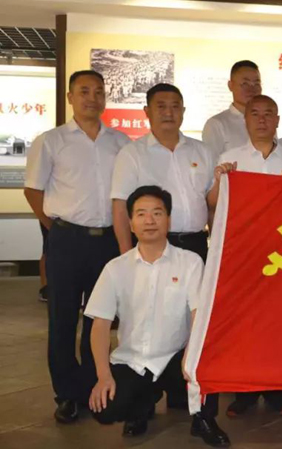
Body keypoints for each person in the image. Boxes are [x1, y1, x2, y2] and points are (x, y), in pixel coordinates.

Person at [24, 70, 130, 424]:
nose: (92, 98)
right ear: (70, 97)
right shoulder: (51, 140)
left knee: (99, 318)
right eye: (84, 91)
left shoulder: (120, 142)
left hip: (107, 242)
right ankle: (67, 394)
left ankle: (91, 387)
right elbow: (33, 190)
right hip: (67, 240)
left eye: (99, 92)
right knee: (63, 319)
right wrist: (55, 228)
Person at [85, 186, 229, 447]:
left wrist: (191, 357)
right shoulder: (115, 268)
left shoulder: (190, 262)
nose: (149, 220)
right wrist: (103, 375)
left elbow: (199, 315)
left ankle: (203, 419)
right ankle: (139, 407)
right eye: (141, 214)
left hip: (176, 357)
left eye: (157, 213)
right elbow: (100, 325)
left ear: (168, 220)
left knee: (207, 361)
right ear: (131, 223)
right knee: (105, 410)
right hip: (133, 359)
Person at [208, 94, 282, 418]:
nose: (262, 120)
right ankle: (244, 391)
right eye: (255, 114)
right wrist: (220, 179)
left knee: (277, 321)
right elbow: (214, 203)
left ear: (278, 121)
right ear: (245, 120)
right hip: (243, 251)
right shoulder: (230, 157)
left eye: (268, 114)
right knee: (244, 322)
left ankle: (275, 388)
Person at [111, 84, 215, 260]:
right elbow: (120, 208)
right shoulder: (132, 154)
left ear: (183, 111)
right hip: (153, 245)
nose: (169, 112)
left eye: (175, 106)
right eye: (161, 106)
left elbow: (212, 205)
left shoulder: (202, 151)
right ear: (147, 111)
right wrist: (127, 257)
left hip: (197, 243)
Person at [202, 60, 261, 160]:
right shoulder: (217, 124)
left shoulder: (266, 122)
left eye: (256, 84)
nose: (251, 89)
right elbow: (210, 164)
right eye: (245, 83)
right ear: (230, 85)